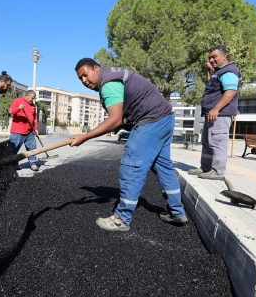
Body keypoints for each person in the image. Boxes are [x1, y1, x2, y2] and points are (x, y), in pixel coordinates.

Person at [70, 58, 188, 231]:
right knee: (163, 166)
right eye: (81, 79)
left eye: (85, 75)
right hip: (165, 117)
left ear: (96, 68)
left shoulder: (108, 83)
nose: (84, 81)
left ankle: (122, 218)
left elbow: (115, 119)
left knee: (132, 166)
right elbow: (122, 117)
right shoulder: (113, 77)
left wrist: (85, 136)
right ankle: (177, 212)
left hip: (151, 119)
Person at [188, 45, 240, 181]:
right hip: (212, 115)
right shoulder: (220, 71)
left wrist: (216, 108)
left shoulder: (229, 71)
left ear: (224, 56)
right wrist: (212, 70)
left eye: (214, 57)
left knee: (217, 143)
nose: (211, 60)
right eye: (210, 57)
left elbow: (230, 91)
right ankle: (206, 167)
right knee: (207, 142)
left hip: (220, 115)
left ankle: (217, 171)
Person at [8, 90, 39, 171]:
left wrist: (35, 129)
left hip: (30, 132)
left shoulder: (33, 105)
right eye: (32, 98)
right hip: (17, 131)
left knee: (32, 148)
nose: (33, 100)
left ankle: (33, 163)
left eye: (34, 98)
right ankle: (13, 164)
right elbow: (10, 111)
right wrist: (18, 108)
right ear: (27, 95)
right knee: (14, 149)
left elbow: (35, 118)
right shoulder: (17, 101)